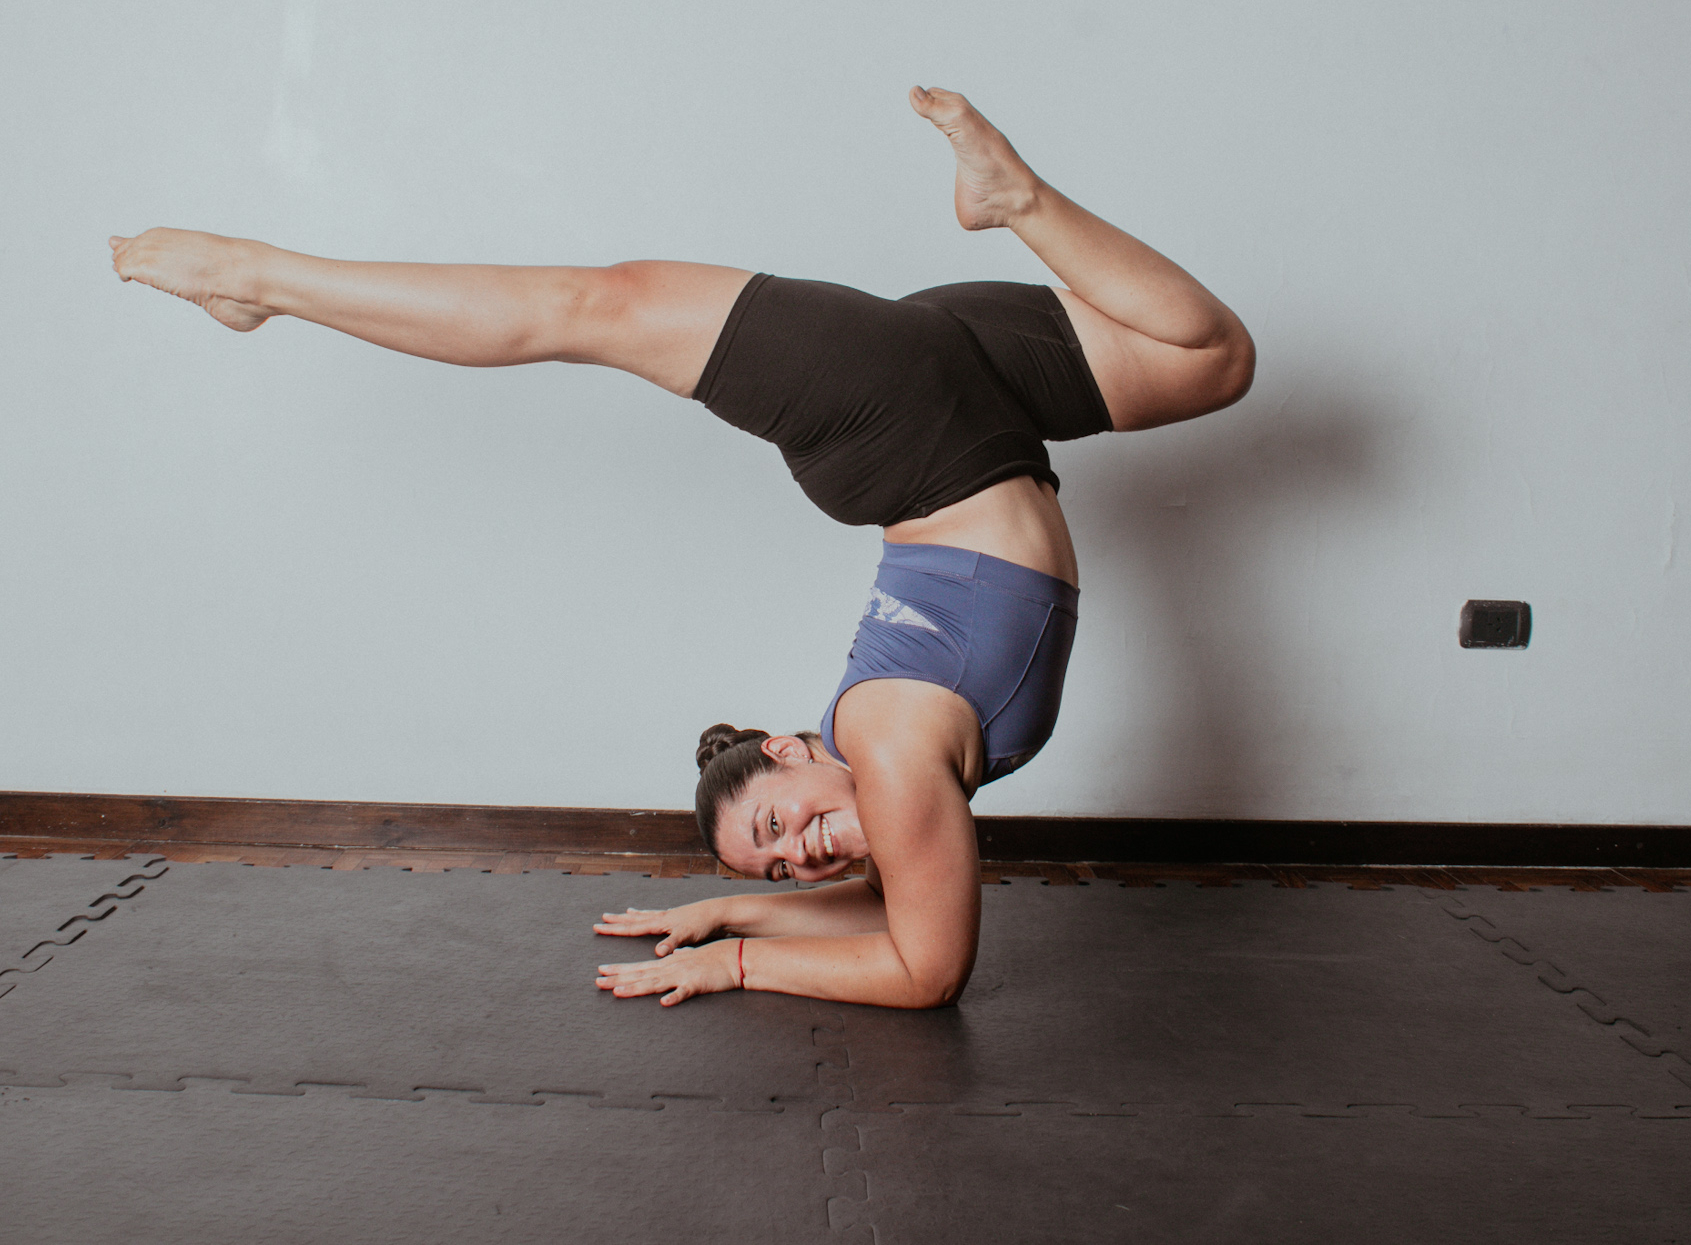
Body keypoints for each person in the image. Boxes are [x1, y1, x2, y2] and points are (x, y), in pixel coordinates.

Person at [110, 87, 1253, 1009]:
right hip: (968, 410)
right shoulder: (901, 786)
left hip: (907, 425)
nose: (802, 852)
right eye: (789, 864)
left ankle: (253, 277)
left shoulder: (899, 760)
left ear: (792, 746)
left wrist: (737, 959)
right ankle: (1017, 199)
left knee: (592, 308)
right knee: (1211, 359)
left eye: (776, 827)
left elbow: (920, 968)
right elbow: (903, 927)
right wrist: (731, 910)